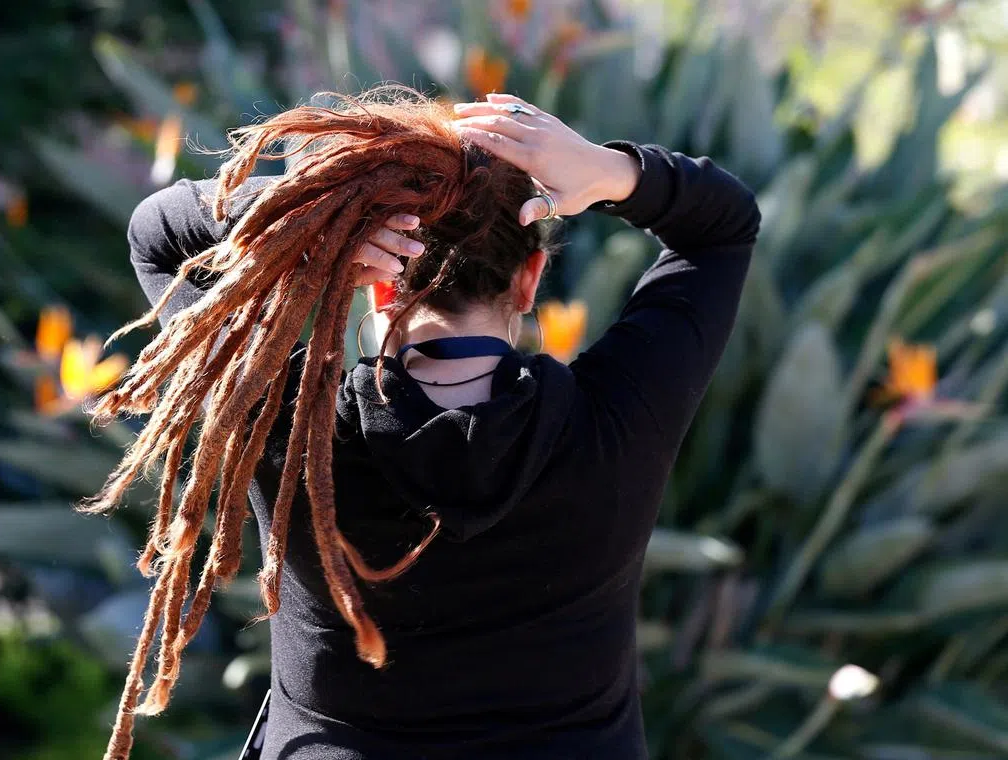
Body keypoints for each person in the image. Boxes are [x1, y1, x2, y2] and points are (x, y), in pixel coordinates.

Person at [89, 88, 760, 760]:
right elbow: (721, 225)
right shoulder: (618, 419)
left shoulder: (288, 421)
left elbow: (159, 236)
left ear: (376, 283)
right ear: (529, 279)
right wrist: (611, 171)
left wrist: (318, 210)